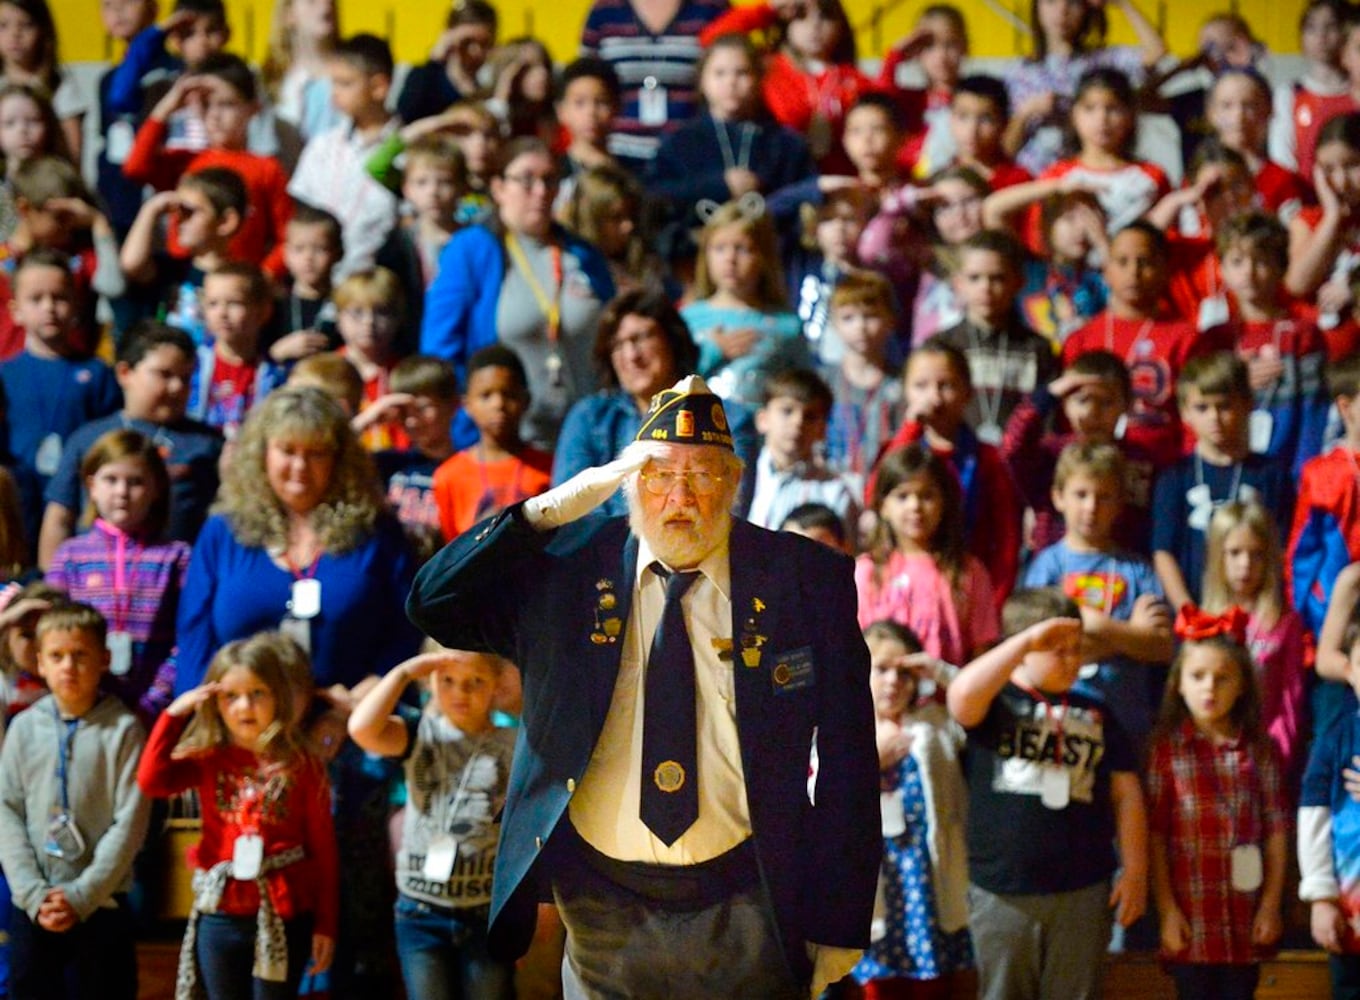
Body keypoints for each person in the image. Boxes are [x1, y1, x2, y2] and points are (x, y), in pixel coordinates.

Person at [407, 374, 879, 999]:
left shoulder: (804, 577)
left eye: (703, 474)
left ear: (735, 484)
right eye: (658, 474)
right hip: (600, 898)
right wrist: (545, 512)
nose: (679, 496)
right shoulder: (569, 567)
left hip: (751, 889)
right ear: (629, 482)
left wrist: (840, 918)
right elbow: (432, 604)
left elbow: (850, 755)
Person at [947, 587, 1147, 1000]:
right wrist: (1022, 642)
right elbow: (960, 698)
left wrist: (1135, 871)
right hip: (1002, 889)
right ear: (1022, 649)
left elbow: (1126, 795)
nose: (1073, 660)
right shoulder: (995, 701)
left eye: (1077, 649)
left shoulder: (1096, 711)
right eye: (1058, 650)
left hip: (1083, 887)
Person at [137, 632, 338, 999]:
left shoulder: (303, 764)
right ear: (215, 702)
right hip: (221, 913)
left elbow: (323, 849)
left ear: (278, 695)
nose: (244, 706)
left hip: (283, 913)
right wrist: (172, 714)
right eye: (231, 697)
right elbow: (152, 780)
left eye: (257, 693)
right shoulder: (208, 757)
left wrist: (326, 924)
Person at [421, 137, 615, 451]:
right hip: (506, 446)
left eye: (549, 180)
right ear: (498, 188)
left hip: (585, 442)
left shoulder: (584, 255)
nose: (540, 191)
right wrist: (468, 430)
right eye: (526, 180)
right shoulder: (471, 250)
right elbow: (440, 352)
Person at [0, 603, 151, 1000]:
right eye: (57, 656)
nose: (68, 666)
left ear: (104, 659)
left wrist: (82, 894)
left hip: (102, 903)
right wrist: (33, 892)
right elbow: (6, 810)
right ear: (40, 663)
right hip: (34, 904)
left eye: (80, 655)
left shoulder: (124, 730)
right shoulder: (23, 728)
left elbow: (131, 820)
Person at [348, 648, 517, 999]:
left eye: (476, 681)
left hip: (484, 910)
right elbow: (361, 729)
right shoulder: (417, 732)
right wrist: (404, 672)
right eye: (448, 680)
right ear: (430, 680)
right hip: (420, 912)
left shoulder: (512, 743)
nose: (460, 692)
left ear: (496, 685)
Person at [1146, 608, 1288, 1000]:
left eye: (1222, 678)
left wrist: (1271, 906)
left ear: (1242, 685)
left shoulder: (1261, 750)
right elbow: (1156, 836)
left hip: (1245, 916)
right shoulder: (1165, 751)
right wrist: (1168, 910)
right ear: (1178, 685)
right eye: (1197, 676)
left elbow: (1276, 831)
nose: (1209, 688)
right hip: (1192, 917)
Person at [553, 288, 757, 517]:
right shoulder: (588, 418)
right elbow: (570, 511)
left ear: (672, 341)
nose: (631, 356)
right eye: (618, 346)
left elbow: (727, 511)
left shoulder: (729, 420)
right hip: (601, 551)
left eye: (641, 338)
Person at [1023, 442, 1174, 748]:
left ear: (1120, 503)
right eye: (1081, 494)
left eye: (1104, 497)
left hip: (1126, 721)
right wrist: (1130, 635)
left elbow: (1161, 647)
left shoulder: (1137, 570)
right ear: (1058, 497)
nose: (1091, 507)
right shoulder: (1048, 566)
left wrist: (1094, 625)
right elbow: (1036, 644)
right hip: (1062, 719)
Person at [38, 321, 222, 567]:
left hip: (172, 580)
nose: (177, 387)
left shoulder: (207, 444)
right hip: (93, 579)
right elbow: (59, 517)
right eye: (164, 374)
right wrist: (53, 588)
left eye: (186, 377)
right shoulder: (90, 438)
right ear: (125, 373)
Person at [853, 619, 971, 997]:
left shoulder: (936, 724)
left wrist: (937, 671)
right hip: (876, 883)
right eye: (881, 669)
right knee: (877, 985)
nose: (892, 682)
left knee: (933, 985)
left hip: (927, 880)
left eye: (904, 672)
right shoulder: (843, 729)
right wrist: (873, 761)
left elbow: (982, 699)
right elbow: (819, 795)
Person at [45, 430, 190, 728]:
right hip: (86, 710)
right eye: (110, 479)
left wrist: (155, 699)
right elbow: (53, 633)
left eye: (136, 482)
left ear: (156, 489)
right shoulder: (70, 556)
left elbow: (188, 637)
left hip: (156, 713)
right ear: (91, 486)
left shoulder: (176, 557)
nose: (122, 492)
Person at [0, 251, 121, 556]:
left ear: (77, 305)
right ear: (15, 310)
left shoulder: (96, 373)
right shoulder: (5, 373)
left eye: (59, 298)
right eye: (36, 299)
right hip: (20, 498)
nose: (49, 308)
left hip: (79, 500)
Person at [1151, 352, 1292, 612]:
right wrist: (1187, 609)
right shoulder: (1174, 478)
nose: (1214, 417)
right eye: (1202, 408)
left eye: (1224, 405)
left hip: (1256, 616)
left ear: (1247, 404)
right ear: (1185, 412)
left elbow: (1280, 548)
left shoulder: (1270, 474)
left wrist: (1263, 609)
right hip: (1193, 612)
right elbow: (1163, 552)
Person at [856, 443, 999, 665]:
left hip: (945, 696)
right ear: (882, 505)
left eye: (927, 496)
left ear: (944, 503)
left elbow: (982, 651)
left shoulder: (968, 571)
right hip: (882, 696)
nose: (915, 506)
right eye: (902, 496)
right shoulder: (866, 572)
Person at [1199, 500, 1309, 788]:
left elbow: (1290, 701)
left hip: (1264, 762)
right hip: (1209, 764)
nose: (1245, 565)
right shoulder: (1204, 622)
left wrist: (1273, 758)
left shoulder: (1285, 623)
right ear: (1218, 557)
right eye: (1234, 553)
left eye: (1256, 555)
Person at [1000, 350, 1152, 554]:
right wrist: (1049, 394)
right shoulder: (1050, 455)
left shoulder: (1139, 461)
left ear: (1127, 404)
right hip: (1057, 576)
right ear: (1065, 403)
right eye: (1082, 400)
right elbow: (1011, 448)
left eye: (1106, 402)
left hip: (1121, 573)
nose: (1093, 412)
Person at [288, 34, 401, 279]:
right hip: (318, 280)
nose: (334, 93)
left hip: (375, 282)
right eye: (333, 83)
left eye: (345, 83)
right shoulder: (323, 147)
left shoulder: (406, 150)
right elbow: (302, 209)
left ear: (379, 87)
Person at [682, 198, 810, 409]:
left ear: (763, 257)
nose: (730, 259)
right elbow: (670, 384)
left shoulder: (786, 326)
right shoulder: (688, 319)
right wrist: (713, 351)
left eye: (742, 249)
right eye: (720, 248)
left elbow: (803, 390)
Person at [578, 0, 730, 172]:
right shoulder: (604, 11)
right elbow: (583, 82)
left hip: (693, 160)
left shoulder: (710, 8)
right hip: (618, 161)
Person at [936, 228, 1057, 441]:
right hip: (959, 465)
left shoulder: (1037, 348)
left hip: (1018, 465)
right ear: (958, 284)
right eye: (974, 278)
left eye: (998, 278)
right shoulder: (942, 347)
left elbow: (1048, 417)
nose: (986, 288)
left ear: (1018, 283)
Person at [431, 345, 553, 541]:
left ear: (526, 400)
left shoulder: (549, 468)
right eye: (486, 395)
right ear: (467, 405)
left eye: (509, 395)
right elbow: (451, 549)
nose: (498, 404)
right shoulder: (448, 476)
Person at [1299, 616, 1360, 997]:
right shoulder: (1337, 738)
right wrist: (1322, 897)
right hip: (1350, 918)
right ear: (1350, 671)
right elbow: (1313, 821)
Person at [748, 368, 858, 538]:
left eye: (810, 416)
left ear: (822, 430)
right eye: (787, 411)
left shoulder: (834, 492)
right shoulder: (735, 476)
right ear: (762, 419)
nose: (798, 422)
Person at [188, 262, 287, 437]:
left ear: (263, 311)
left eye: (234, 303)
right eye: (213, 304)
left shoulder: (277, 374)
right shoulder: (191, 365)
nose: (222, 313)